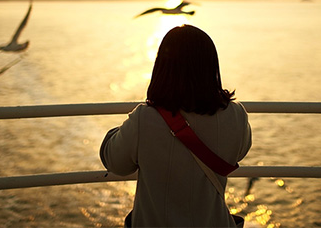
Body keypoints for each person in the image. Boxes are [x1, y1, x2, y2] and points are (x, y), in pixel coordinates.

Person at [100, 24, 252, 227]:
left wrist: (116, 133)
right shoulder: (237, 115)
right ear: (211, 67)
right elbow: (238, 153)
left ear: (162, 67)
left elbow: (116, 163)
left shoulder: (144, 119)